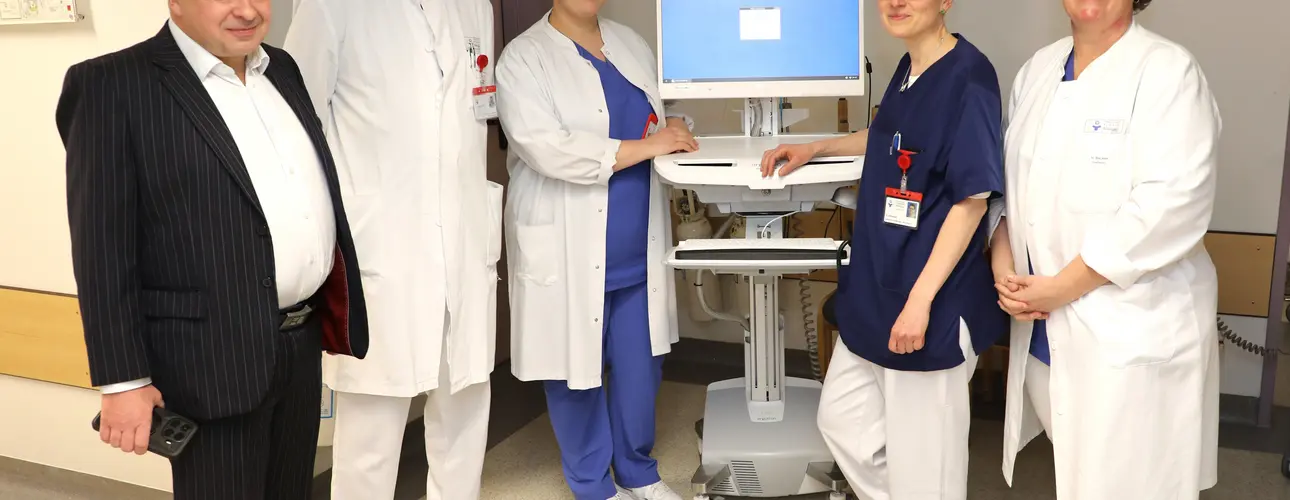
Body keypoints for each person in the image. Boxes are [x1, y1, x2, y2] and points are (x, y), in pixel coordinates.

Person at [55, 0, 370, 498]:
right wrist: (122, 381)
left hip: (300, 344)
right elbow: (102, 249)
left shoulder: (281, 69)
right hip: (210, 361)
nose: (247, 10)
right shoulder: (112, 85)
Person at [762, 1, 1007, 498]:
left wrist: (919, 304)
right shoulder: (909, 67)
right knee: (842, 423)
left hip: (930, 304)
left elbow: (971, 203)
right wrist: (817, 148)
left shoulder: (970, 79)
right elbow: (887, 138)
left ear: (945, 2)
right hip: (878, 293)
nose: (896, 3)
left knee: (926, 471)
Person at [995, 0, 1221, 497]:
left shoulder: (1168, 72)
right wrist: (1003, 265)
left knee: (1131, 483)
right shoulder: (1037, 71)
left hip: (1131, 329)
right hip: (1045, 328)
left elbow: (1171, 205)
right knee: (1079, 476)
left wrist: (1063, 286)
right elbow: (1009, 193)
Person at [282, 1, 501, 498]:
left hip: (464, 250)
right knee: (371, 438)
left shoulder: (476, 8)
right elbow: (295, 127)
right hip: (382, 254)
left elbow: (476, 109)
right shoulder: (329, 8)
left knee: (465, 413)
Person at [495, 1, 698, 499]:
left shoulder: (632, 44)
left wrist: (672, 131)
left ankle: (639, 473)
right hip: (565, 244)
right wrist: (650, 146)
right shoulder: (523, 58)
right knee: (573, 370)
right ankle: (593, 487)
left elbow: (652, 120)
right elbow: (548, 147)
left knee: (640, 366)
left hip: (636, 242)